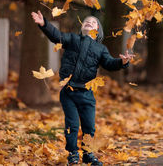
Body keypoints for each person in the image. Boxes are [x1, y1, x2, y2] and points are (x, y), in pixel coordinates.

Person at [31, 10, 134, 166]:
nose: (89, 23)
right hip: (69, 92)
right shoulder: (72, 39)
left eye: (93, 22)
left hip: (87, 94)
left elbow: (109, 63)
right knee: (72, 125)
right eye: (86, 21)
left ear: (98, 30)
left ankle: (88, 153)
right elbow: (56, 35)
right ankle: (72, 153)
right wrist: (44, 24)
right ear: (82, 27)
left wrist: (122, 62)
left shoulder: (101, 49)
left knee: (89, 126)